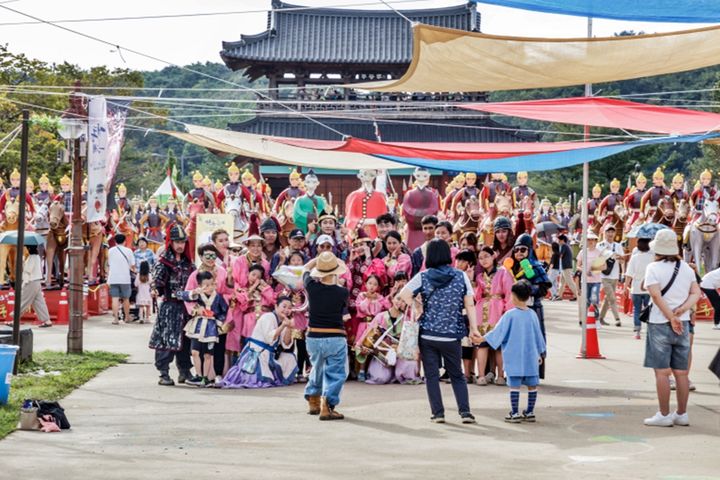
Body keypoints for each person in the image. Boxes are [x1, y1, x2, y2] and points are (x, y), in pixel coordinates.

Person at [398, 239, 481, 424]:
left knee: (432, 375)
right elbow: (469, 304)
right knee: (457, 375)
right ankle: (465, 413)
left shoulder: (424, 276)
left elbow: (404, 293)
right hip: (452, 335)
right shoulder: (461, 276)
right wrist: (474, 329)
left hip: (428, 334)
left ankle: (438, 414)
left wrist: (417, 306)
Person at [642, 229, 700, 427]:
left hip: (660, 323)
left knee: (662, 372)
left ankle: (664, 414)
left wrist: (669, 316)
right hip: (683, 323)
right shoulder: (686, 268)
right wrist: (681, 311)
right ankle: (682, 413)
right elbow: (696, 293)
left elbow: (656, 296)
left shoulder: (653, 268)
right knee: (681, 372)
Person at [478, 281, 546, 423]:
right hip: (531, 356)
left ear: (513, 297)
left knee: (514, 385)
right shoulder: (532, 314)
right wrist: (540, 353)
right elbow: (539, 336)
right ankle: (530, 412)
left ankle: (514, 413)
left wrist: (482, 339)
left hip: (514, 356)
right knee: (532, 384)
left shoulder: (510, 315)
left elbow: (498, 332)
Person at [303, 251, 350, 421]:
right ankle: (327, 404)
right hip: (335, 336)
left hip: (314, 336)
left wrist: (316, 261)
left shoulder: (312, 287)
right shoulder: (343, 292)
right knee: (335, 372)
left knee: (317, 367)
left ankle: (313, 400)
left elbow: (305, 270)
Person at [149, 225, 196, 386]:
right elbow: (156, 281)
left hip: (186, 307)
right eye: (176, 241)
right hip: (170, 307)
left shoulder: (189, 262)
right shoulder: (164, 260)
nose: (180, 245)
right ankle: (163, 372)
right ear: (171, 242)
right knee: (166, 340)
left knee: (186, 340)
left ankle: (185, 371)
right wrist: (155, 289)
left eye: (183, 241)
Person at [222, 296, 298, 388]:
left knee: (289, 357)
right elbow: (269, 338)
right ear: (276, 306)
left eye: (289, 308)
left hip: (268, 354)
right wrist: (282, 326)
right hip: (257, 352)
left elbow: (286, 344)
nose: (286, 310)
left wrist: (289, 327)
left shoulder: (283, 321)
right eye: (284, 306)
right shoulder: (268, 317)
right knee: (256, 378)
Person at [505, 234, 552, 378]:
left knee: (534, 339)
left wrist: (527, 290)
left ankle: (533, 372)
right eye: (516, 249)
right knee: (516, 340)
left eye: (523, 249)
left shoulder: (535, 266)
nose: (519, 252)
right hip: (516, 309)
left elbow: (544, 288)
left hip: (533, 308)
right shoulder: (511, 267)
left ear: (530, 250)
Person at [354, 295, 420, 384]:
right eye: (398, 298)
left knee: (409, 371)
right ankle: (390, 373)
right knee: (380, 378)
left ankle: (398, 373)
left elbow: (409, 344)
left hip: (399, 354)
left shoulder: (407, 319)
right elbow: (367, 333)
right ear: (392, 299)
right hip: (383, 354)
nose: (400, 302)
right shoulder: (380, 316)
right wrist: (361, 347)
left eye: (403, 301)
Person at [180, 270, 229, 387]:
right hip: (197, 326)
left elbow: (224, 311)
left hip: (211, 328)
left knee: (208, 354)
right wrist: (194, 292)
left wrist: (217, 320)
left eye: (211, 284)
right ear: (200, 285)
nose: (209, 287)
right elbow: (182, 295)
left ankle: (206, 378)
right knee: (195, 352)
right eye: (206, 285)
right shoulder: (197, 296)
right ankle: (198, 375)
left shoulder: (218, 297)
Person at [475, 246, 514, 386]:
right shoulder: (479, 276)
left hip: (497, 310)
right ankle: (481, 375)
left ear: (494, 256)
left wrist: (506, 311)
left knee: (498, 345)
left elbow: (509, 294)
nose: (483, 260)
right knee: (482, 343)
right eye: (480, 258)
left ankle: (501, 375)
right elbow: (476, 296)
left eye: (486, 256)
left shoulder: (504, 272)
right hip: (482, 309)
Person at [353, 275, 391, 382]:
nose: (372, 286)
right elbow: (360, 308)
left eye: (375, 284)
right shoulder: (361, 295)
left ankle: (371, 371)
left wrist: (376, 301)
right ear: (365, 284)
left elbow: (384, 308)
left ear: (378, 286)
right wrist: (368, 299)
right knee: (363, 348)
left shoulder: (379, 297)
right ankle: (361, 370)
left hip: (374, 325)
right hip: (364, 324)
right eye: (370, 283)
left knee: (374, 348)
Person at [625, 237, 655, 339]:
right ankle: (649, 331)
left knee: (637, 309)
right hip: (648, 288)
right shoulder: (653, 258)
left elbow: (629, 274)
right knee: (649, 310)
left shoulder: (634, 257)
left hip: (636, 287)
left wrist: (625, 287)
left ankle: (637, 332)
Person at [598, 225, 625, 327]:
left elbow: (622, 261)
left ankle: (601, 317)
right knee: (612, 298)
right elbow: (596, 261)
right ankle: (617, 319)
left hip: (614, 275)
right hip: (604, 276)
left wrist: (619, 258)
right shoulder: (600, 245)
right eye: (608, 232)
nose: (610, 234)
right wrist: (607, 255)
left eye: (612, 232)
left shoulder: (618, 246)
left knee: (608, 298)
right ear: (605, 233)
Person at [107, 233, 136, 325]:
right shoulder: (128, 251)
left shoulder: (110, 250)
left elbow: (109, 263)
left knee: (115, 298)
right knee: (126, 298)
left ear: (115, 241)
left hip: (113, 277)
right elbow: (132, 265)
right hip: (125, 278)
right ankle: (127, 317)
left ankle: (116, 319)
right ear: (124, 241)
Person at [20, 245, 51, 328]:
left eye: (25, 247)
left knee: (23, 301)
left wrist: (22, 262)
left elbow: (28, 270)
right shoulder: (36, 257)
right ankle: (47, 320)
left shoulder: (32, 257)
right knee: (39, 302)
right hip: (37, 282)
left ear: (29, 248)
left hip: (31, 282)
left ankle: (14, 319)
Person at [576, 232, 603, 315]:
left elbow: (602, 266)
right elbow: (578, 266)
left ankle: (596, 317)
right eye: (588, 240)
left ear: (596, 241)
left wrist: (594, 269)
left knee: (594, 298)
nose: (591, 241)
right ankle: (587, 319)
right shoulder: (582, 252)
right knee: (586, 300)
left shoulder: (599, 252)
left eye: (593, 240)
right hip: (585, 281)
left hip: (596, 280)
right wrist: (585, 271)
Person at [557, 234, 579, 301]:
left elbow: (560, 255)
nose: (558, 242)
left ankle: (577, 295)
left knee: (570, 282)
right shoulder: (567, 246)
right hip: (566, 267)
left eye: (559, 240)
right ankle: (559, 295)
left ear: (562, 240)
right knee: (562, 282)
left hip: (566, 267)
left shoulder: (564, 246)